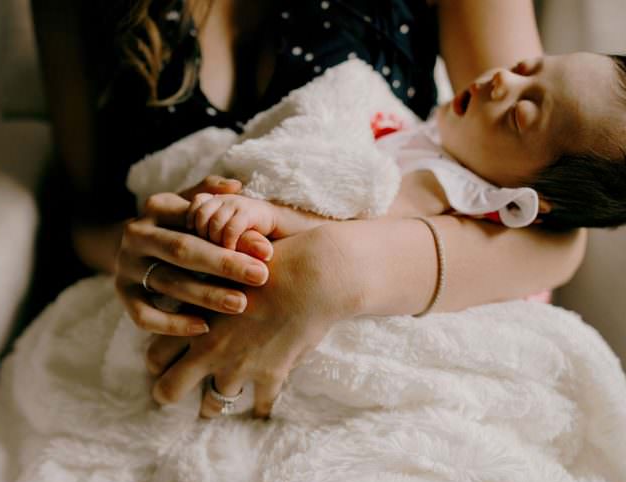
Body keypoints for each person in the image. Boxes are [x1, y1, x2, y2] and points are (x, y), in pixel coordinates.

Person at [32, 0, 589, 420]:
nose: (507, 83)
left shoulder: (485, 132)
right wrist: (151, 254)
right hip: (183, 328)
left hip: (389, 326)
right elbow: (90, 217)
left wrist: (338, 266)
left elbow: (554, 231)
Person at [182, 52, 626, 251]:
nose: (503, 83)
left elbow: (359, 223)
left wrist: (272, 216)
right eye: (524, 69)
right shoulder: (438, 141)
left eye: (520, 115)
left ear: (527, 200)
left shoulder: (448, 186)